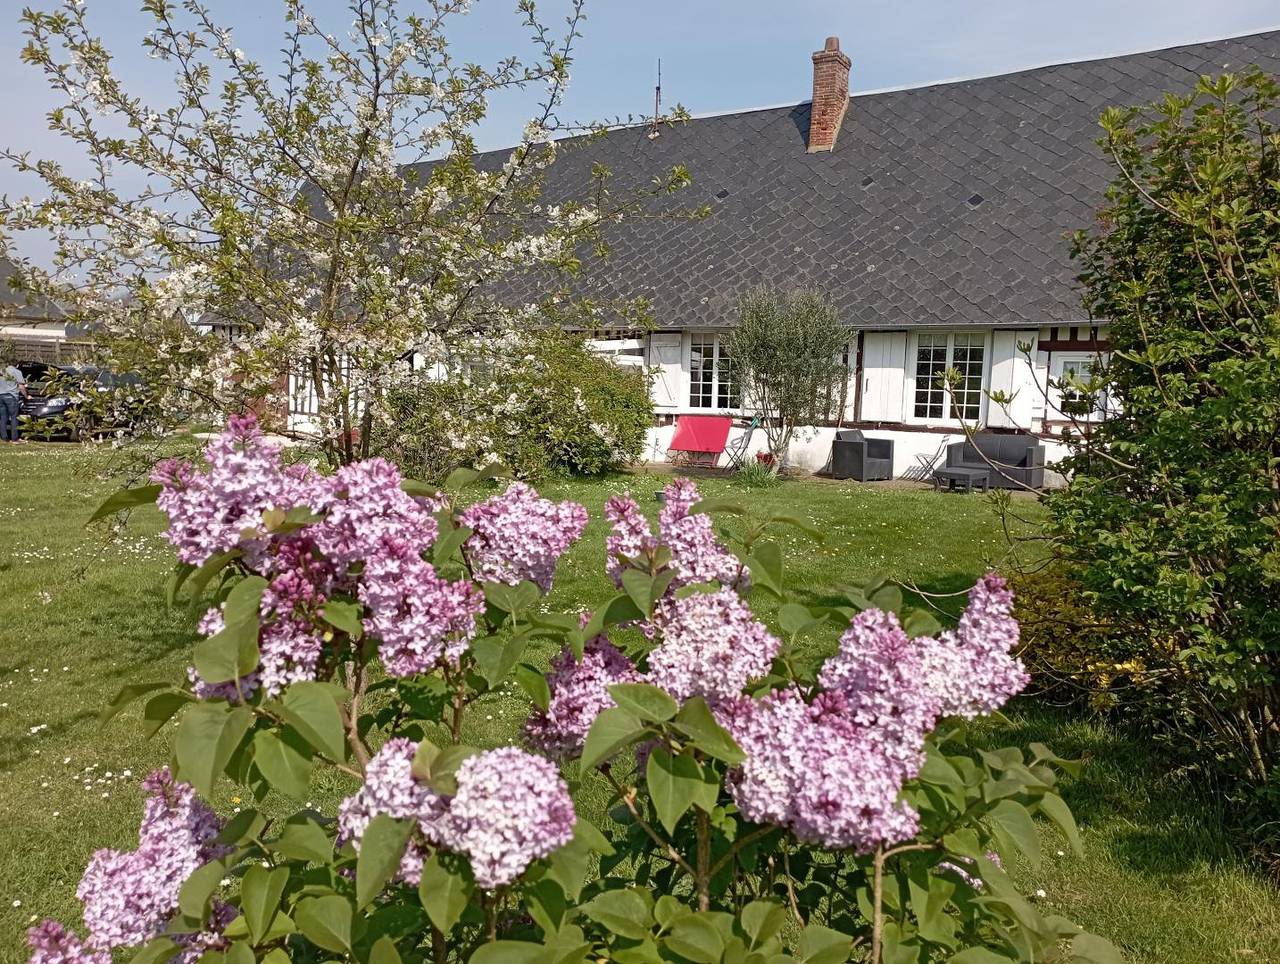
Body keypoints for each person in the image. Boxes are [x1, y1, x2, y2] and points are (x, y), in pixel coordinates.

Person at [0, 357, 27, 443]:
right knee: (14, 417)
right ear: (17, 365)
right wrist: (26, 396)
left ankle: (4, 438)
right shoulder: (17, 372)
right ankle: (15, 438)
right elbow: (21, 387)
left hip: (1, 396)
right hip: (11, 396)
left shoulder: (2, 371)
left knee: (3, 418)